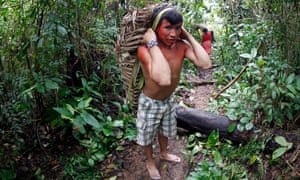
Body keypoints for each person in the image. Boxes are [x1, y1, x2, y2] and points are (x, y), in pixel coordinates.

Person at [136, 4, 211, 179]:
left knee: (165, 130)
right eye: (168, 27)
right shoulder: (144, 49)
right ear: (156, 28)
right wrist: (152, 42)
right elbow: (163, 79)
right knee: (147, 136)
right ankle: (149, 161)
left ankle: (163, 153)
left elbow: (205, 63)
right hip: (149, 102)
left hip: (168, 100)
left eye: (177, 29)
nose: (173, 34)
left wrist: (187, 36)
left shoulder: (181, 46)